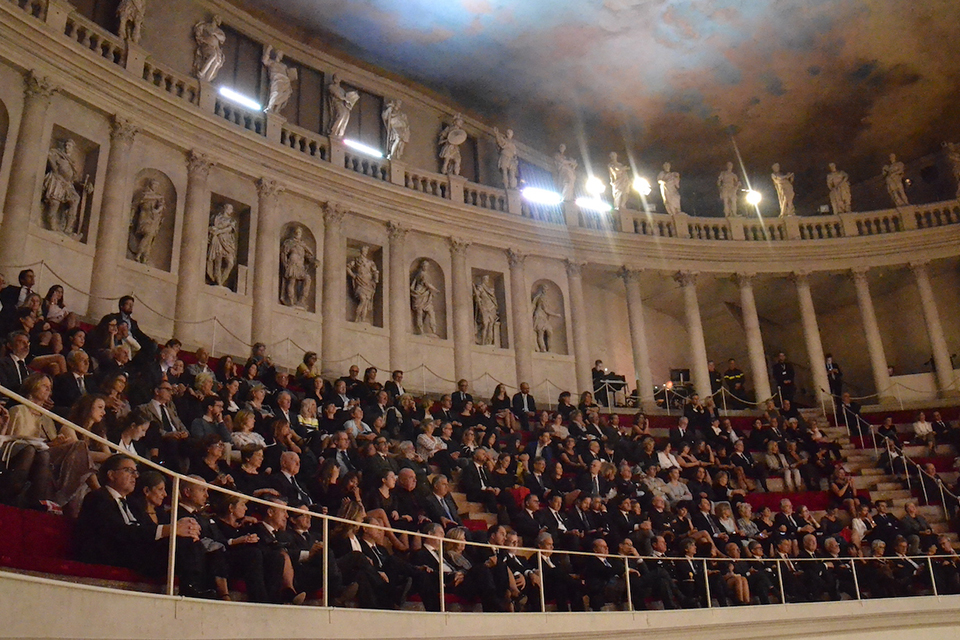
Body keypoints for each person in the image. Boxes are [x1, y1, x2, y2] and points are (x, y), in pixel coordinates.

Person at [75, 455, 203, 586]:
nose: (135, 476)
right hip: (110, 552)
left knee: (187, 539)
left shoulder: (132, 503)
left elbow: (146, 527)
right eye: (129, 471)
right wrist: (169, 529)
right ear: (111, 475)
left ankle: (192, 587)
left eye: (135, 472)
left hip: (133, 550)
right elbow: (118, 531)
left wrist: (182, 529)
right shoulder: (97, 497)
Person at [347, 246, 379, 324]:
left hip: (368, 282)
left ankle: (363, 319)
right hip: (360, 281)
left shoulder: (370, 262)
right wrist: (353, 275)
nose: (365, 252)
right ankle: (357, 318)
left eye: (366, 251)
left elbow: (375, 271)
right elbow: (348, 267)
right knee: (363, 299)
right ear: (361, 251)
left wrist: (375, 279)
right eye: (363, 251)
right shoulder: (356, 260)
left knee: (366, 303)